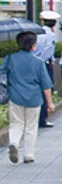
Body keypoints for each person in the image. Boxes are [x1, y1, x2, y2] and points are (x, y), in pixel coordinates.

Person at [3, 31, 54, 164]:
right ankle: (28, 155)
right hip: (33, 97)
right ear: (32, 45)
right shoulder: (38, 62)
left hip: (15, 96)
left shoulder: (10, 58)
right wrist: (50, 103)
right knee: (31, 126)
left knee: (16, 123)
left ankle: (14, 142)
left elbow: (2, 73)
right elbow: (46, 85)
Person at [34, 11, 58, 127]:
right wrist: (41, 62)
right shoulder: (51, 35)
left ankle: (37, 118)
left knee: (37, 91)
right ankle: (42, 119)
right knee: (46, 90)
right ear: (54, 23)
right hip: (44, 64)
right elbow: (48, 51)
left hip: (33, 64)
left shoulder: (37, 32)